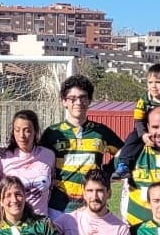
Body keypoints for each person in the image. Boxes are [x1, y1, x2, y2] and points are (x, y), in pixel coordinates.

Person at [39, 75, 122, 212]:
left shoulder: (101, 132)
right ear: (64, 102)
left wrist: (106, 172)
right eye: (72, 98)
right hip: (60, 207)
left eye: (83, 97)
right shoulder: (52, 132)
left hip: (91, 206)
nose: (78, 102)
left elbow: (124, 152)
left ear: (89, 101)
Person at [113, 62, 160, 180]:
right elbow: (138, 120)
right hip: (144, 128)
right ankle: (124, 165)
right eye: (150, 82)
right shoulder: (144, 99)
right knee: (131, 141)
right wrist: (143, 135)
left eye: (158, 82)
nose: (153, 86)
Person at [0, 109, 57, 216]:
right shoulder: (3, 159)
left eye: (27, 130)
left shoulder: (48, 155)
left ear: (35, 131)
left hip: (40, 223)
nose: (21, 135)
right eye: (17, 130)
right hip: (13, 223)